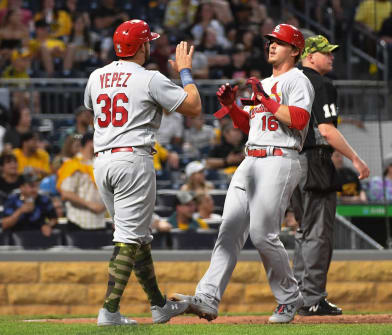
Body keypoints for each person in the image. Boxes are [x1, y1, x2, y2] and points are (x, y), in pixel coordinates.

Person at [175, 23, 314, 324]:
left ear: (295, 50)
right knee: (229, 232)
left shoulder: (297, 80)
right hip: (251, 157)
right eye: (270, 41)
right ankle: (208, 298)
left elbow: (300, 119)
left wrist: (264, 99)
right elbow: (249, 127)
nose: (272, 45)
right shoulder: (264, 82)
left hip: (280, 157)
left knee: (264, 235)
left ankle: (289, 298)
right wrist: (231, 106)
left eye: (280, 41)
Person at [83, 19, 201, 326]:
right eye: (148, 41)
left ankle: (159, 305)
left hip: (103, 162)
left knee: (137, 237)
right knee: (128, 237)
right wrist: (184, 72)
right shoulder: (149, 77)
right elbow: (193, 106)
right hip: (133, 161)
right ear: (141, 46)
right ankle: (109, 311)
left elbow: (90, 106)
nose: (151, 45)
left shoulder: (96, 76)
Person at [290, 35, 370, 317]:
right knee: (318, 235)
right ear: (310, 56)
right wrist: (356, 158)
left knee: (303, 232)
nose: (331, 57)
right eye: (326, 53)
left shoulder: (288, 81)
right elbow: (326, 130)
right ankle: (312, 298)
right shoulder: (320, 83)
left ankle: (300, 296)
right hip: (314, 161)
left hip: (289, 163)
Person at [57, 133, 106, 231]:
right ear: (90, 143)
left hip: (100, 223)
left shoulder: (100, 164)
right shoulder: (73, 165)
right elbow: (66, 193)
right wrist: (90, 204)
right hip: (79, 223)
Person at [1, 172, 57, 236]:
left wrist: (48, 225)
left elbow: (54, 218)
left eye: (37, 186)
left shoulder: (44, 199)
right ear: (22, 187)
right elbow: (4, 225)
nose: (35, 189)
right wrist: (20, 211)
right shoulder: (12, 199)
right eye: (32, 186)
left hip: (39, 238)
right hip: (15, 239)